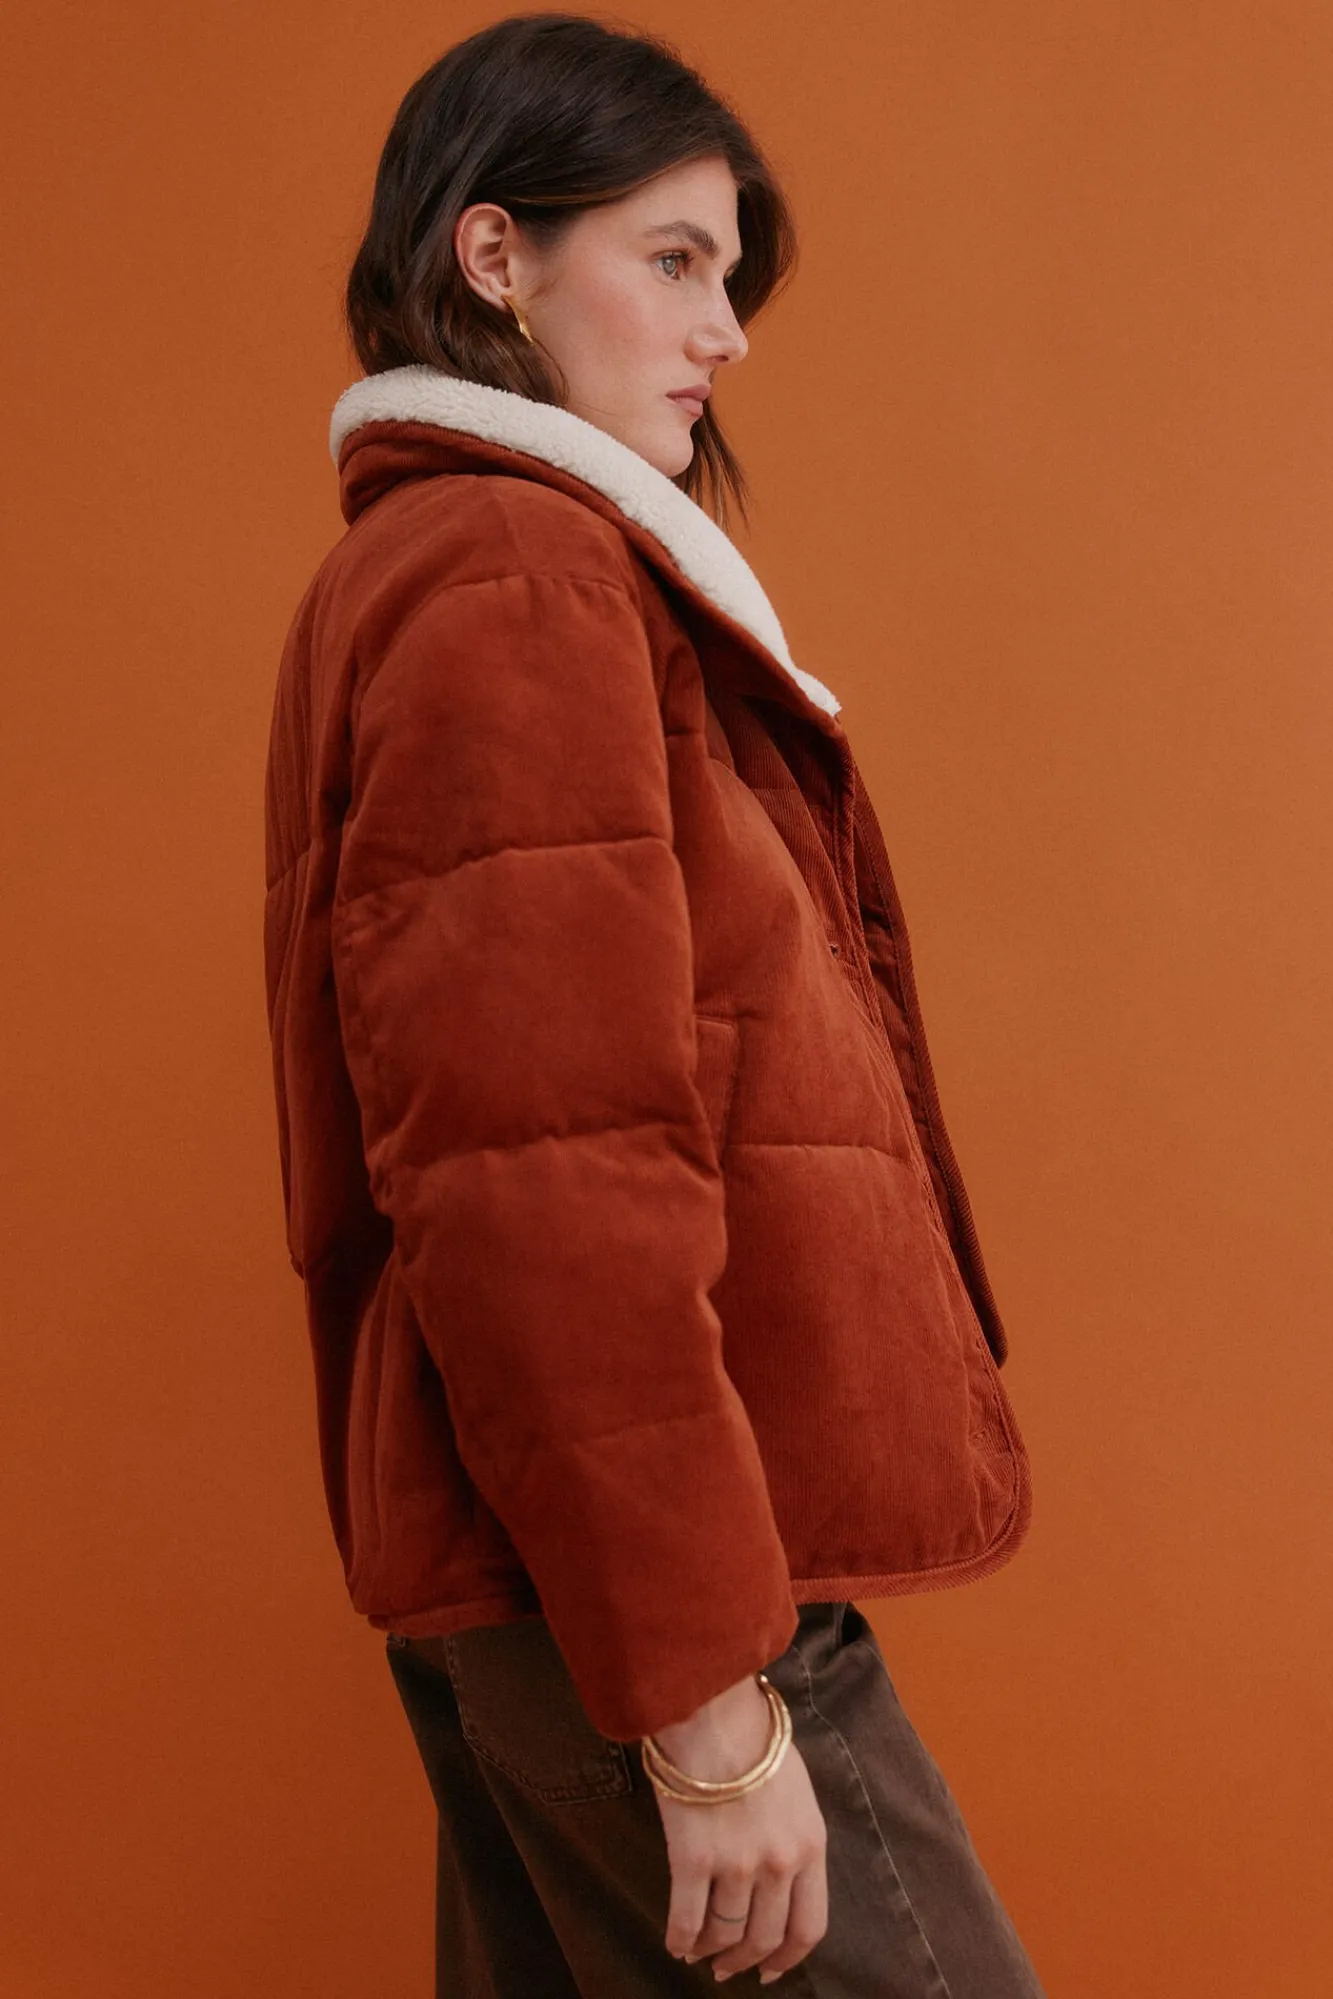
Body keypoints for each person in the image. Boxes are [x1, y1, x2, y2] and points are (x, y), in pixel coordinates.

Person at [263, 13, 1044, 1995]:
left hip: (561, 1584)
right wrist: (706, 1699)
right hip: (648, 1610)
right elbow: (540, 1175)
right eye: (674, 259)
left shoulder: (447, 564)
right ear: (495, 255)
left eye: (731, 273)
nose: (726, 329)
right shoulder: (510, 572)